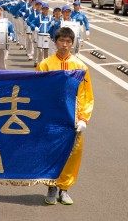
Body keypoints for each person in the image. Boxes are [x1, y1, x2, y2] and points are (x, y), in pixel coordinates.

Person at [36, 26, 94, 206]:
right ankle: (51, 187)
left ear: (72, 44)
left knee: (72, 153)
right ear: (55, 42)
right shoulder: (45, 65)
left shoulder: (80, 67)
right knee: (51, 151)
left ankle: (64, 189)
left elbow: (86, 94)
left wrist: (84, 118)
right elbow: (38, 92)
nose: (65, 45)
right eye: (61, 41)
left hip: (72, 117)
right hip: (52, 117)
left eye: (68, 42)